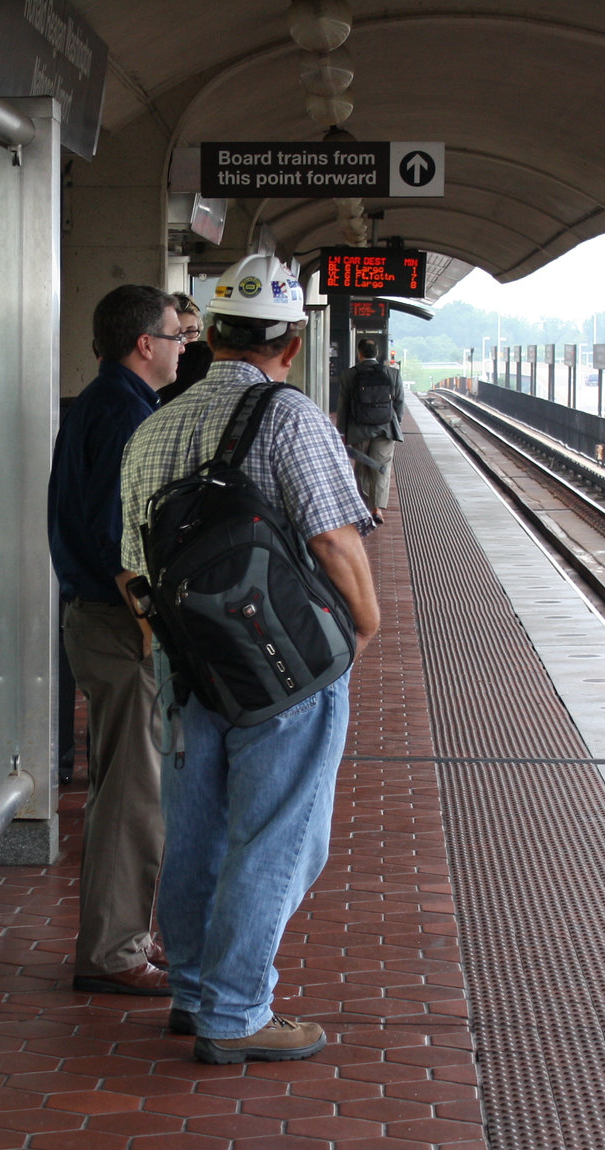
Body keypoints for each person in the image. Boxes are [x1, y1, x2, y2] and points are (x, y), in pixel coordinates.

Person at [120, 253, 380, 1063]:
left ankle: (196, 993)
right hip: (284, 666)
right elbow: (335, 540)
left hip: (187, 662)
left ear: (214, 335)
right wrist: (358, 634)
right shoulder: (292, 417)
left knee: (195, 829)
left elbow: (133, 571)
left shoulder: (155, 421)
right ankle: (237, 1012)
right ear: (292, 343)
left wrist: (169, 656)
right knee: (278, 835)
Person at [47, 283, 186, 996]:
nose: (182, 345)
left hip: (91, 616)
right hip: (116, 622)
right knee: (136, 793)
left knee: (120, 788)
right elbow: (117, 535)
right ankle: (114, 951)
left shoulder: (99, 405)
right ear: (145, 344)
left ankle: (119, 937)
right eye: (175, 335)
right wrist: (147, 624)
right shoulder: (129, 417)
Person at [333, 336, 403, 522]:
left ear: (359, 353)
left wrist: (342, 430)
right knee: (382, 468)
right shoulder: (392, 374)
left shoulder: (350, 374)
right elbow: (399, 402)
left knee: (362, 468)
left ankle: (362, 507)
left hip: (358, 427)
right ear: (377, 353)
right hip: (385, 428)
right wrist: (395, 422)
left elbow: (343, 404)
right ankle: (377, 509)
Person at [155, 291, 211, 404]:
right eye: (176, 333)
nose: (183, 340)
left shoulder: (207, 368)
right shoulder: (155, 373)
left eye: (190, 331)